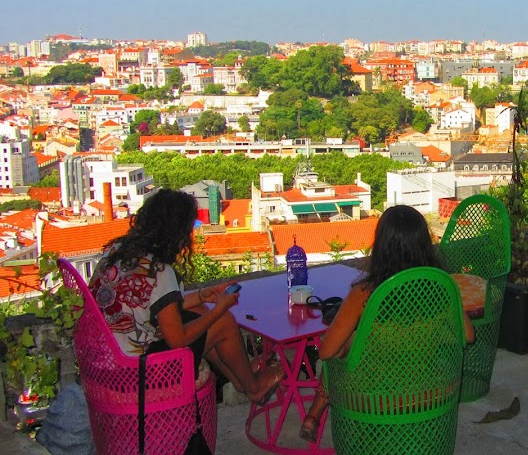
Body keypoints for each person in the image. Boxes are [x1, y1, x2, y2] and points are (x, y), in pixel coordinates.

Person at [88, 189, 284, 405]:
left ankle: (241, 379)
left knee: (199, 311)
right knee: (224, 322)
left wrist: (202, 296)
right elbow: (178, 339)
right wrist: (220, 309)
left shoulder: (116, 252)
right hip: (139, 372)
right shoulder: (159, 271)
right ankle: (254, 388)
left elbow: (158, 307)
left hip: (106, 360)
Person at [299, 205, 475, 442]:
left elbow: (326, 352)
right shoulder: (441, 288)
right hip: (428, 393)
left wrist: (354, 339)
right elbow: (468, 335)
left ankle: (313, 415)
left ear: (381, 246)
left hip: (373, 400)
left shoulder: (364, 294)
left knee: (339, 354)